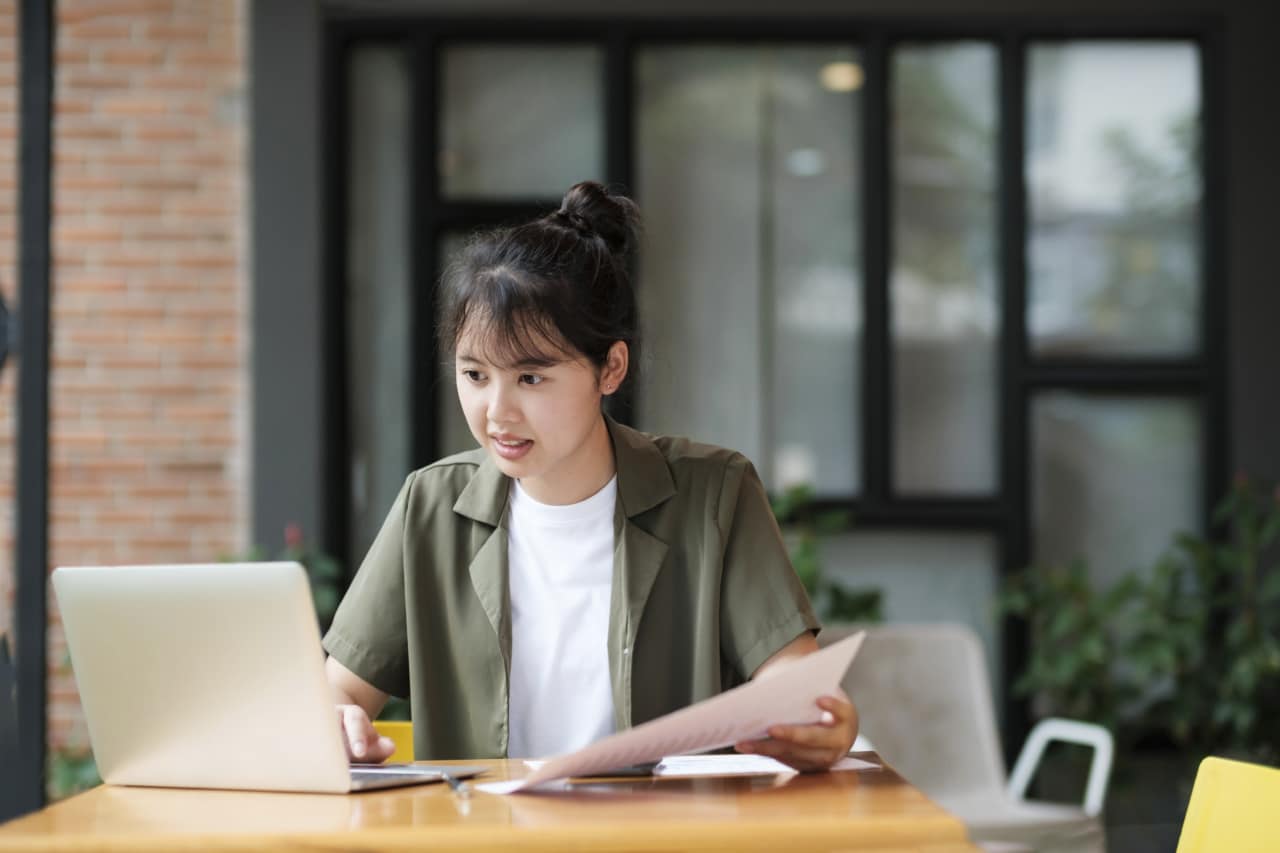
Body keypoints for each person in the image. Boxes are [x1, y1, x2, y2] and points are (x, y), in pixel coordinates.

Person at [322, 181, 858, 772]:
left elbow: (801, 688)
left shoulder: (714, 494)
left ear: (612, 368)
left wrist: (822, 723)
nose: (497, 411)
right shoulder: (431, 504)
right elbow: (339, 691)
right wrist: (337, 717)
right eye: (475, 375)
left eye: (531, 378)